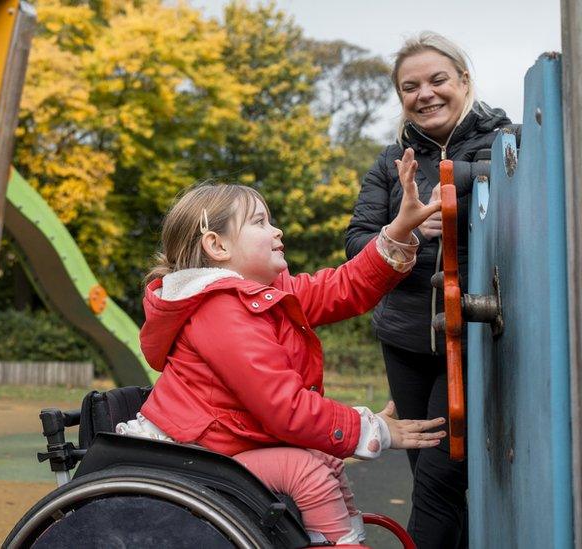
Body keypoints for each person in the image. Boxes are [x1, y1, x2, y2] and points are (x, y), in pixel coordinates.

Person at [116, 172, 445, 544]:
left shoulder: (266, 294)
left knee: (326, 459)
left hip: (225, 446)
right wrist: (373, 429)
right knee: (306, 469)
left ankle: (343, 539)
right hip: (194, 458)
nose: (277, 231)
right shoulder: (220, 310)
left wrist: (398, 231)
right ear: (216, 246)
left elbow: (342, 287)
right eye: (260, 222)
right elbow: (285, 407)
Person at [345, 31, 513, 548]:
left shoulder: (504, 139)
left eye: (438, 80)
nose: (426, 94)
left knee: (441, 479)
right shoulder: (390, 161)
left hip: (474, 330)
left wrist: (451, 182)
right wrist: (410, 230)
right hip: (406, 338)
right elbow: (358, 245)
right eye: (410, 87)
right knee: (430, 479)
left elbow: (510, 179)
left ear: (463, 80)